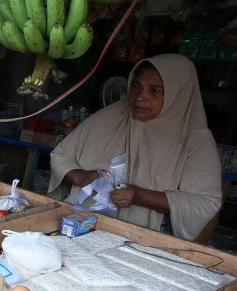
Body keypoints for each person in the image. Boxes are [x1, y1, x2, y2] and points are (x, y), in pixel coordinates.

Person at [48, 54, 222, 241]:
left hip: (142, 242)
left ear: (179, 93)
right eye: (136, 87)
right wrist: (80, 176)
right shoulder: (109, 116)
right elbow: (61, 155)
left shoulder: (195, 140)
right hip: (79, 227)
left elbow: (204, 202)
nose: (140, 97)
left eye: (155, 91)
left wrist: (140, 196)